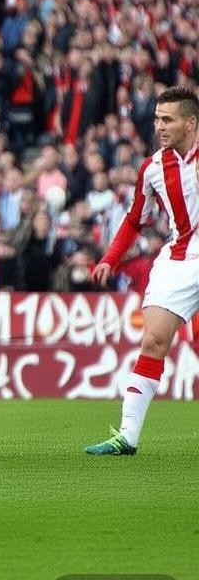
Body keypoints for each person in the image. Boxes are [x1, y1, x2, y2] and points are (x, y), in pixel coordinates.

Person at [86, 85, 199, 456]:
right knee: (153, 341)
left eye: (168, 120)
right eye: (157, 119)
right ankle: (127, 436)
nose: (160, 127)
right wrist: (110, 259)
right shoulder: (153, 168)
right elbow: (135, 219)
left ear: (191, 123)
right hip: (179, 260)